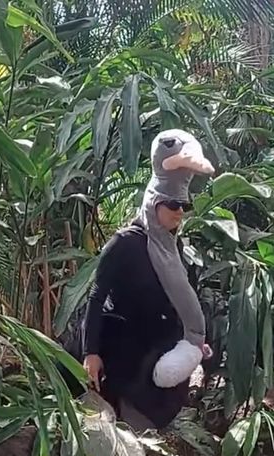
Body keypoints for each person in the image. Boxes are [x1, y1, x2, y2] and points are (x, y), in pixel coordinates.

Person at [80, 129, 214, 432]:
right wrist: (91, 352)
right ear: (154, 204)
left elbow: (179, 300)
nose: (179, 212)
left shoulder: (174, 248)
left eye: (184, 206)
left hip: (157, 350)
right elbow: (96, 295)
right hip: (123, 356)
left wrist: (195, 341)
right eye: (172, 204)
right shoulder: (126, 243)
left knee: (149, 434)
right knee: (123, 433)